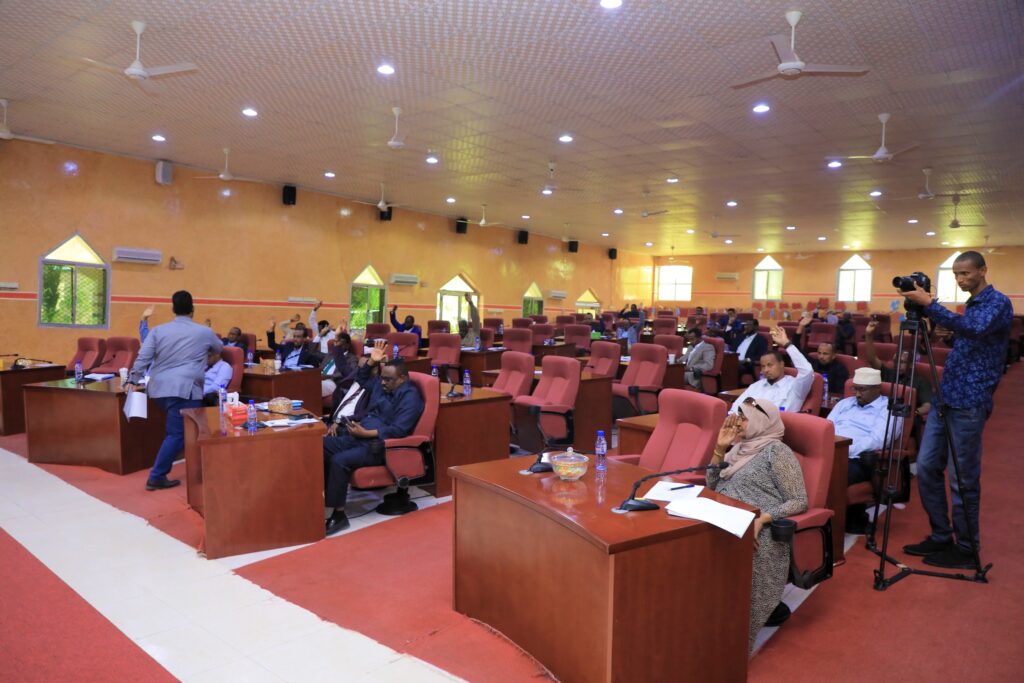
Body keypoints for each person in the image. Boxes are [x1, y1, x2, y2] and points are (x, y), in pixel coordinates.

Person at [899, 251, 1013, 569]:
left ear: (983, 271)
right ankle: (941, 535)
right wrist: (948, 335)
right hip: (945, 397)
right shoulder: (971, 305)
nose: (960, 280)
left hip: (969, 402)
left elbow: (975, 330)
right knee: (926, 467)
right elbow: (971, 341)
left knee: (962, 479)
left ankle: (966, 549)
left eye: (965, 273)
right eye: (956, 275)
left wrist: (929, 304)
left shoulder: (998, 302)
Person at [706, 397, 807, 650]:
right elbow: (712, 485)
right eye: (736, 415)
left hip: (760, 528)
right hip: (726, 518)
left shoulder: (776, 451)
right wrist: (719, 448)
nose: (736, 422)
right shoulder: (738, 449)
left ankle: (731, 644)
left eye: (743, 417)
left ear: (761, 420)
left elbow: (799, 501)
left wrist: (761, 518)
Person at [323, 340, 425, 535]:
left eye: (388, 380)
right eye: (383, 378)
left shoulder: (410, 397)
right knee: (320, 446)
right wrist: (371, 362)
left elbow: (399, 430)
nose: (383, 382)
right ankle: (322, 498)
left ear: (403, 378)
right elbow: (361, 380)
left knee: (339, 460)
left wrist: (366, 433)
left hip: (378, 445)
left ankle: (339, 515)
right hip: (358, 436)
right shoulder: (382, 385)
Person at [126, 291, 222, 491]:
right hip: (185, 389)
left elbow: (143, 357)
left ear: (173, 309)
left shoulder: (158, 331)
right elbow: (219, 348)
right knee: (178, 434)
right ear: (193, 310)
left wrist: (133, 379)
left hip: (159, 389)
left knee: (182, 431)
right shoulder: (204, 332)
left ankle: (199, 468)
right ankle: (157, 476)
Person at [826, 367, 902, 533]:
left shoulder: (889, 409)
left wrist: (843, 450)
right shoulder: (845, 404)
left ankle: (833, 523)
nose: (858, 394)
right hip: (830, 450)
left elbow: (878, 440)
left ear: (877, 388)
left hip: (860, 459)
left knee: (831, 473)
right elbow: (826, 427)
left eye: (863, 389)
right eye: (855, 389)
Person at [731, 327, 814, 413]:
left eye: (770, 365)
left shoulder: (796, 387)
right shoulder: (756, 386)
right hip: (749, 420)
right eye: (763, 366)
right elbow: (736, 407)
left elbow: (807, 370)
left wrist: (787, 344)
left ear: (781, 364)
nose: (766, 370)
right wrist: (733, 416)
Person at [863, 321, 932, 421]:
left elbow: (927, 405)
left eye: (902, 362)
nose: (898, 365)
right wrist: (869, 335)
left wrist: (914, 412)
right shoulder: (888, 373)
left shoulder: (920, 381)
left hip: (904, 418)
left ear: (911, 365)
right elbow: (872, 359)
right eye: (896, 362)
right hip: (881, 414)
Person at [793, 316, 849, 395]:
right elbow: (795, 349)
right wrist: (801, 326)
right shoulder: (813, 363)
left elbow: (841, 393)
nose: (821, 357)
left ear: (833, 356)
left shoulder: (840, 369)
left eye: (825, 354)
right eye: (819, 353)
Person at [321, 327, 359, 403]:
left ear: (347, 345)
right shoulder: (329, 355)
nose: (337, 345)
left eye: (340, 343)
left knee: (313, 386)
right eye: (336, 342)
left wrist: (327, 376)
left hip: (333, 382)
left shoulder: (352, 358)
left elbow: (350, 374)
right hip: (320, 379)